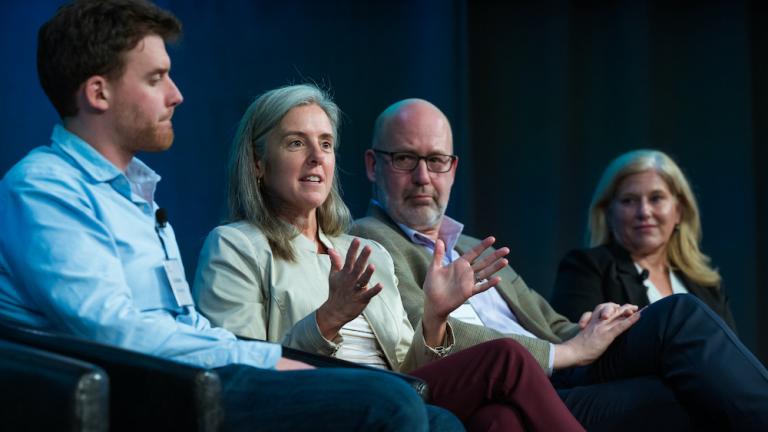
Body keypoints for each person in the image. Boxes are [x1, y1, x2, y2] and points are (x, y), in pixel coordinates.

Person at [0, 2, 462, 430]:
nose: (176, 95)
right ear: (98, 92)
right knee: (389, 403)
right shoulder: (43, 187)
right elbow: (110, 330)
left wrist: (260, 358)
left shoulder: (136, 195)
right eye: (156, 78)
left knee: (438, 419)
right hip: (159, 391)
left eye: (325, 143)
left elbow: (186, 322)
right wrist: (265, 361)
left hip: (200, 372)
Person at [349, 98, 768, 431]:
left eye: (436, 160)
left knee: (679, 322)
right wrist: (563, 351)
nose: (423, 176)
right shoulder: (367, 241)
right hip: (524, 383)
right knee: (674, 376)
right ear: (373, 165)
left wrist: (593, 325)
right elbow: (420, 340)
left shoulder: (472, 245)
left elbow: (551, 321)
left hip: (563, 368)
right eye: (405, 159)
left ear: (453, 169)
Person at [192, 84, 585, 432]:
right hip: (320, 401)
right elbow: (238, 374)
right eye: (296, 143)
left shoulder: (366, 253)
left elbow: (408, 368)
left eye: (326, 144)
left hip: (394, 395)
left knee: (497, 421)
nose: (316, 157)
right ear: (259, 163)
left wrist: (435, 318)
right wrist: (326, 321)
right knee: (506, 357)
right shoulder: (235, 246)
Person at [549, 149, 736, 329]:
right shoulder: (586, 269)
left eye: (656, 198)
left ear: (678, 211)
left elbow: (732, 357)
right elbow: (578, 351)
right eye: (628, 200)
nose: (644, 212)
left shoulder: (708, 286)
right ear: (608, 213)